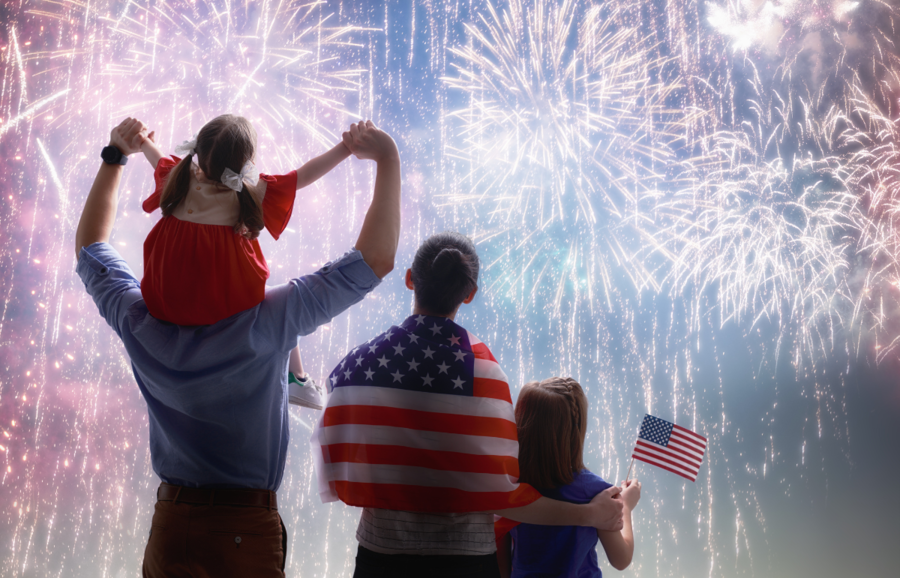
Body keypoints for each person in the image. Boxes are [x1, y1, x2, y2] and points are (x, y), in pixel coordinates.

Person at [76, 117, 400, 577]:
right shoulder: (271, 320)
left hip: (170, 526)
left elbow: (90, 247)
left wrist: (114, 157)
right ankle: (298, 380)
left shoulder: (138, 320)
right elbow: (375, 260)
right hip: (242, 531)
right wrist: (386, 159)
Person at [312, 232, 625, 578]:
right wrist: (589, 515)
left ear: (410, 278)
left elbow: (338, 455)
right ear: (470, 293)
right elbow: (498, 493)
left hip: (380, 555)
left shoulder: (360, 365)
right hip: (465, 561)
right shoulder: (485, 373)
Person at [137, 115, 351, 409]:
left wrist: (144, 140)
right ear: (246, 161)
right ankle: (296, 379)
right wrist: (346, 148)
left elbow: (157, 156)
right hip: (224, 309)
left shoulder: (179, 176)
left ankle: (292, 378)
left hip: (165, 301)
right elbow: (304, 174)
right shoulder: (251, 191)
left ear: (198, 151)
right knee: (281, 305)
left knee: (270, 297)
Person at [496, 378, 641, 578]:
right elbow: (621, 559)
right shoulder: (597, 493)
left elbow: (502, 565)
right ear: (577, 431)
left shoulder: (509, 486)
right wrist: (625, 507)